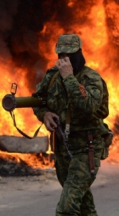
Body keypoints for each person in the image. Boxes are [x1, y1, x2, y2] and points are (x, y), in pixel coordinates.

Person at [33, 34, 110, 216]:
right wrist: (44, 115)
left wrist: (69, 78)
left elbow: (89, 106)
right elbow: (37, 100)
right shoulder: (52, 76)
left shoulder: (91, 78)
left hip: (86, 149)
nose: (64, 60)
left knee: (67, 207)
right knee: (84, 206)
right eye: (61, 55)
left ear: (79, 54)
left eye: (69, 55)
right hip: (63, 149)